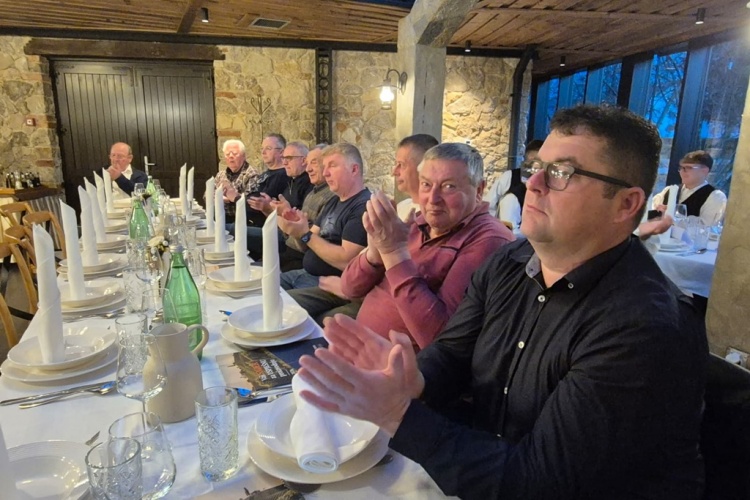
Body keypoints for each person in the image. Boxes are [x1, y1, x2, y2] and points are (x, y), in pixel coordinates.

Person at [296, 105, 708, 499]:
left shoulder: (643, 328)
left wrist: (397, 414)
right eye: (536, 168)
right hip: (490, 461)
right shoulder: (511, 261)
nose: (533, 184)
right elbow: (453, 351)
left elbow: (539, 485)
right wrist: (414, 380)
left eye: (561, 173)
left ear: (626, 204)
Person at [290, 143, 514, 346]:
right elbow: (350, 287)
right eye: (426, 185)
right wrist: (375, 252)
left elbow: (439, 338)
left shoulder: (489, 239)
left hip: (399, 370)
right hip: (361, 348)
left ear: (479, 190)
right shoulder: (418, 221)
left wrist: (393, 253)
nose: (433, 199)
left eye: (448, 187)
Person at [278, 143, 369, 290]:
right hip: (305, 273)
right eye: (324, 166)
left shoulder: (363, 206)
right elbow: (305, 246)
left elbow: (347, 261)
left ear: (354, 169)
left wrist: (305, 234)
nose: (325, 173)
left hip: (330, 284)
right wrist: (298, 231)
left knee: (276, 300)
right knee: (262, 286)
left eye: (332, 166)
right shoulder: (334, 201)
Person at [245, 141, 313, 260]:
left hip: (291, 242)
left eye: (289, 158)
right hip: (277, 231)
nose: (284, 162)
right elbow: (276, 218)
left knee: (235, 231)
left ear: (303, 160)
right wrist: (267, 209)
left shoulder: (308, 184)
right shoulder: (291, 181)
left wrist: (275, 210)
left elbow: (300, 224)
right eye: (283, 158)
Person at [277, 144, 336, 270]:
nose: (308, 169)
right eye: (307, 163)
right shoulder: (313, 191)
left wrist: (289, 220)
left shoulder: (332, 196)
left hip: (302, 259)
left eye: (314, 163)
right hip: (291, 248)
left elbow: (312, 241)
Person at [652, 150, 727, 225]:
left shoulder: (716, 197)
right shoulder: (669, 190)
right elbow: (650, 214)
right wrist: (657, 214)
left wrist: (672, 217)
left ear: (704, 171)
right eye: (681, 168)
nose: (682, 171)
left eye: (689, 168)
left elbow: (708, 226)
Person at [484, 139, 544, 219]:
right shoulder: (510, 176)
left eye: (537, 161)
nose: (532, 166)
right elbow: (489, 204)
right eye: (530, 161)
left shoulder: (547, 183)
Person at [245, 133, 290, 227]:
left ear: (281, 152)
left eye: (268, 148)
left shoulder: (282, 175)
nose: (263, 152)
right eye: (262, 148)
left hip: (266, 226)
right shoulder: (265, 174)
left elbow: (259, 202)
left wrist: (236, 198)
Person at [393, 134, 439, 220]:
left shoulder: (435, 214)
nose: (394, 172)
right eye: (396, 164)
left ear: (423, 168)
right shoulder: (402, 206)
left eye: (402, 165)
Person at [215, 139, 259, 225]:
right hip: (220, 217)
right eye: (227, 154)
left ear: (244, 156)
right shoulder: (221, 174)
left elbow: (249, 203)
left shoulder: (251, 174)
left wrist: (232, 198)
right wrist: (218, 197)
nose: (231, 156)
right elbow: (206, 196)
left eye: (235, 153)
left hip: (242, 221)